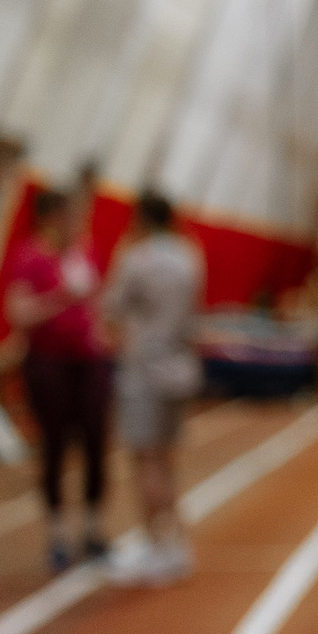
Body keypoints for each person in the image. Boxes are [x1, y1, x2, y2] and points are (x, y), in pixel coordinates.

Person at [3, 187, 110, 571]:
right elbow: (17, 312)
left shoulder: (85, 251)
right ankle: (58, 533)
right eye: (68, 216)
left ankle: (94, 528)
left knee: (96, 439)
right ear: (49, 217)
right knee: (55, 445)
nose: (75, 224)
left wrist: (99, 331)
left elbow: (95, 301)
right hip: (48, 362)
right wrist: (61, 296)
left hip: (88, 360)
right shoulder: (29, 256)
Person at [100, 191, 203, 585]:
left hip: (144, 372)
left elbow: (112, 308)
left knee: (145, 461)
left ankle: (156, 546)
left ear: (141, 218)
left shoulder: (136, 259)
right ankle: (177, 543)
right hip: (179, 369)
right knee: (167, 461)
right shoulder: (189, 257)